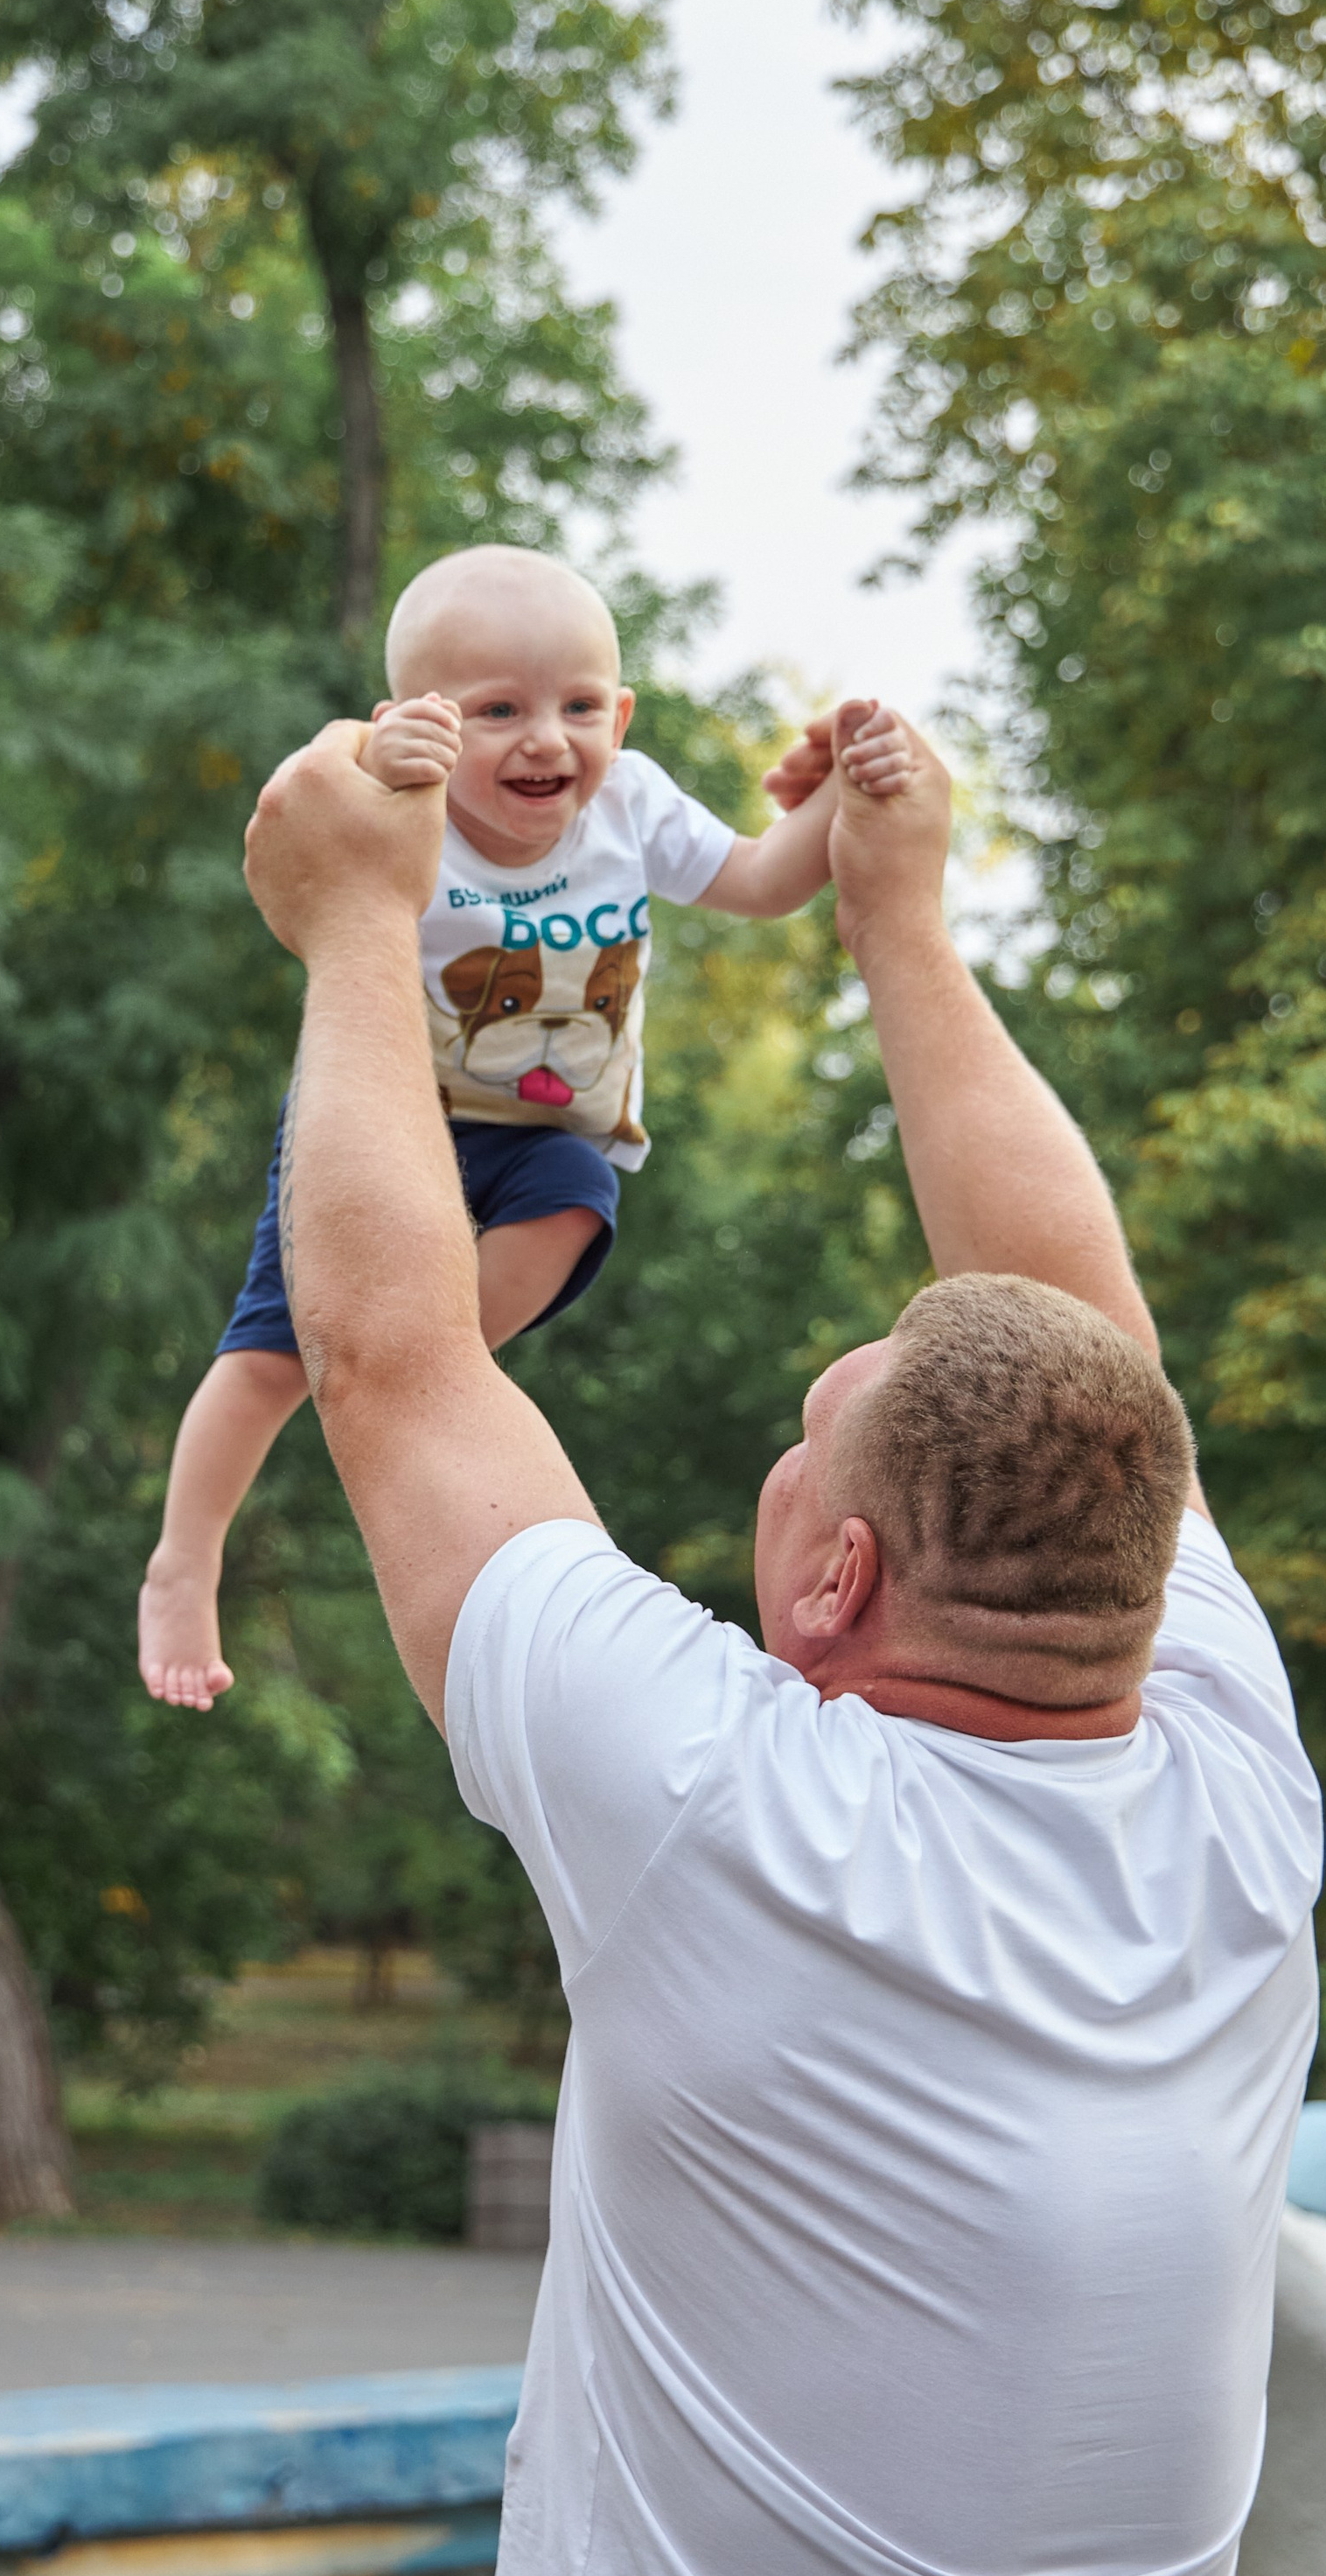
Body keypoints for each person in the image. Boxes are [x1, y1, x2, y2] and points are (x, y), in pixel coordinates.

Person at [241, 702, 1323, 2576]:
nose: (780, 1448)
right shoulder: (1229, 1793)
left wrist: (360, 927)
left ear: (829, 1579)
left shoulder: (725, 1818)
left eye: (799, 1437)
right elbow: (1081, 1316)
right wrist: (896, 925)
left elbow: (387, 1357)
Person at [138, 543, 914, 1710]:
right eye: (496, 710)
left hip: (544, 1130)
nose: (546, 739)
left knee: (577, 1199)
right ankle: (181, 1563)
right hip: (387, 1122)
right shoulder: (399, 800)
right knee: (264, 1363)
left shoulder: (633, 806)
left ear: (623, 714)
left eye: (579, 707)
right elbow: (310, 803)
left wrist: (846, 795)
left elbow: (758, 878)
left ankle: (432, 1378)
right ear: (420, 721)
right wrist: (369, 751)